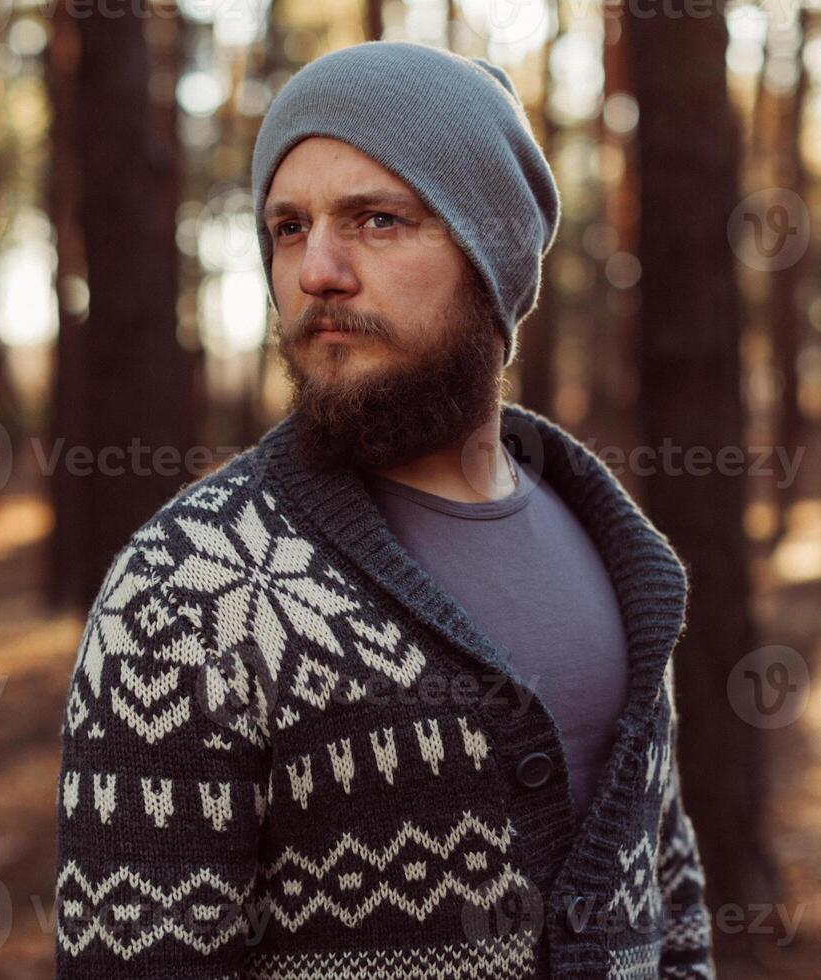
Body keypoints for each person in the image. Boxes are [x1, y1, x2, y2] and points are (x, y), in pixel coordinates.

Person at [55, 40, 715, 979]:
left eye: (376, 219)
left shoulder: (620, 558)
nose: (317, 269)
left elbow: (670, 901)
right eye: (287, 227)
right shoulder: (191, 584)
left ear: (491, 256)